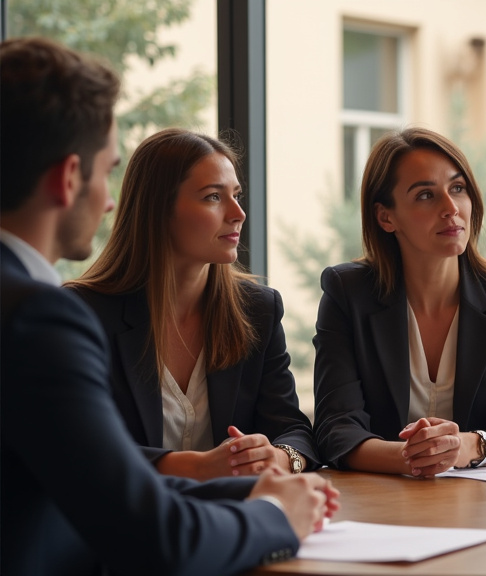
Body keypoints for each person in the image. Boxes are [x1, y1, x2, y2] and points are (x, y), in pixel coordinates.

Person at [0, 37, 338, 575]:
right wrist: (275, 513)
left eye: (237, 194)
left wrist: (268, 473)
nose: (108, 199)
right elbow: (150, 531)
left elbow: (98, 487)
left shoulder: (255, 307)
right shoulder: (46, 318)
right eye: (105, 170)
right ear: (68, 178)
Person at [66, 128, 319, 480]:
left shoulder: (258, 309)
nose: (238, 213)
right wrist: (196, 467)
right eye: (213, 197)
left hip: (235, 517)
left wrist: (279, 457)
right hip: (122, 523)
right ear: (158, 209)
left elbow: (294, 430)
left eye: (237, 195)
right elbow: (78, 446)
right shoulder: (83, 312)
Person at [313, 127, 486, 477]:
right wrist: (415, 456)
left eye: (457, 188)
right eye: (425, 195)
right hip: (379, 504)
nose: (451, 209)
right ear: (386, 217)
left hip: (480, 503)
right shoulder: (347, 292)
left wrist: (466, 447)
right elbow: (336, 429)